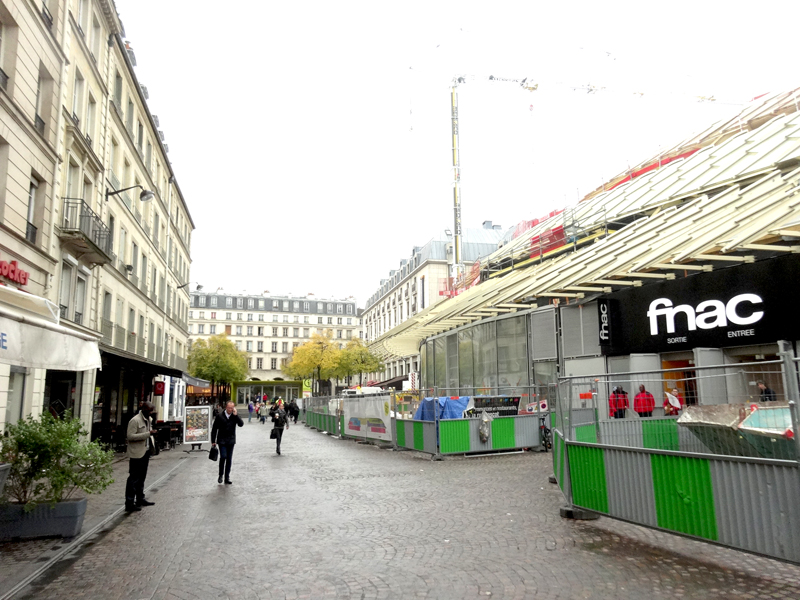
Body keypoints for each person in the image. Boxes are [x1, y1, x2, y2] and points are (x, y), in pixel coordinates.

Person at [125, 401, 158, 512]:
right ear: (143, 409)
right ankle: (129, 503)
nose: (151, 412)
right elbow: (130, 436)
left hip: (145, 451)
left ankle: (140, 499)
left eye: (151, 410)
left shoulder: (149, 419)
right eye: (149, 410)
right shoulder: (135, 421)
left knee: (142, 477)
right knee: (133, 478)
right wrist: (148, 434)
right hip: (136, 453)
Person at [211, 401, 244, 484]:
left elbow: (241, 424)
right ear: (226, 407)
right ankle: (220, 475)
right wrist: (213, 441)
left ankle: (227, 477)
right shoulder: (219, 416)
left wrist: (236, 416)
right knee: (223, 457)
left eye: (232, 408)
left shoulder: (234, 416)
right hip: (221, 440)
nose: (230, 409)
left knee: (229, 459)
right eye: (229, 408)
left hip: (231, 440)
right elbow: (214, 429)